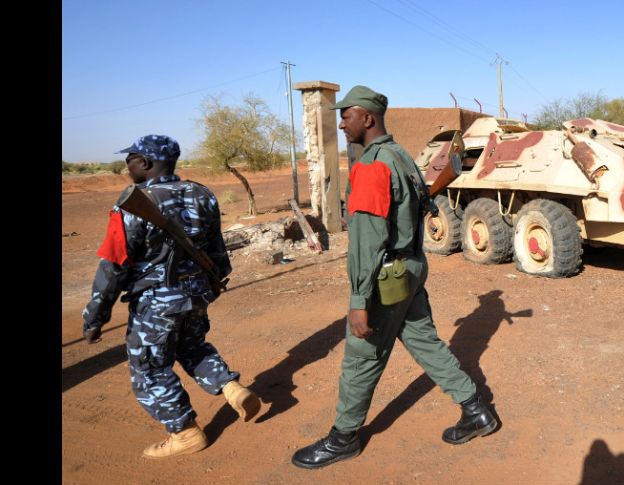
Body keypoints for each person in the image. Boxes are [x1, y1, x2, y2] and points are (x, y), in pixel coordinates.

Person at [292, 86, 498, 469]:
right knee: (426, 344)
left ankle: (344, 437)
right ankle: (476, 410)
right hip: (411, 268)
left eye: (346, 115)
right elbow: (423, 205)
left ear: (367, 118)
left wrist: (359, 302)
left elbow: (367, 243)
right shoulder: (399, 154)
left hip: (385, 276)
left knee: (361, 356)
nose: (341, 123)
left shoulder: (372, 165)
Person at [81, 134, 261, 459]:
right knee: (192, 347)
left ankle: (185, 433)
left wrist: (96, 316)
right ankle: (232, 389)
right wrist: (213, 282)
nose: (127, 165)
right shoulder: (201, 193)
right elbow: (218, 249)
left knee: (149, 368)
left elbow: (113, 267)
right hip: (198, 294)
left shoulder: (132, 205)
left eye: (131, 158)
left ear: (147, 163)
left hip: (155, 303)